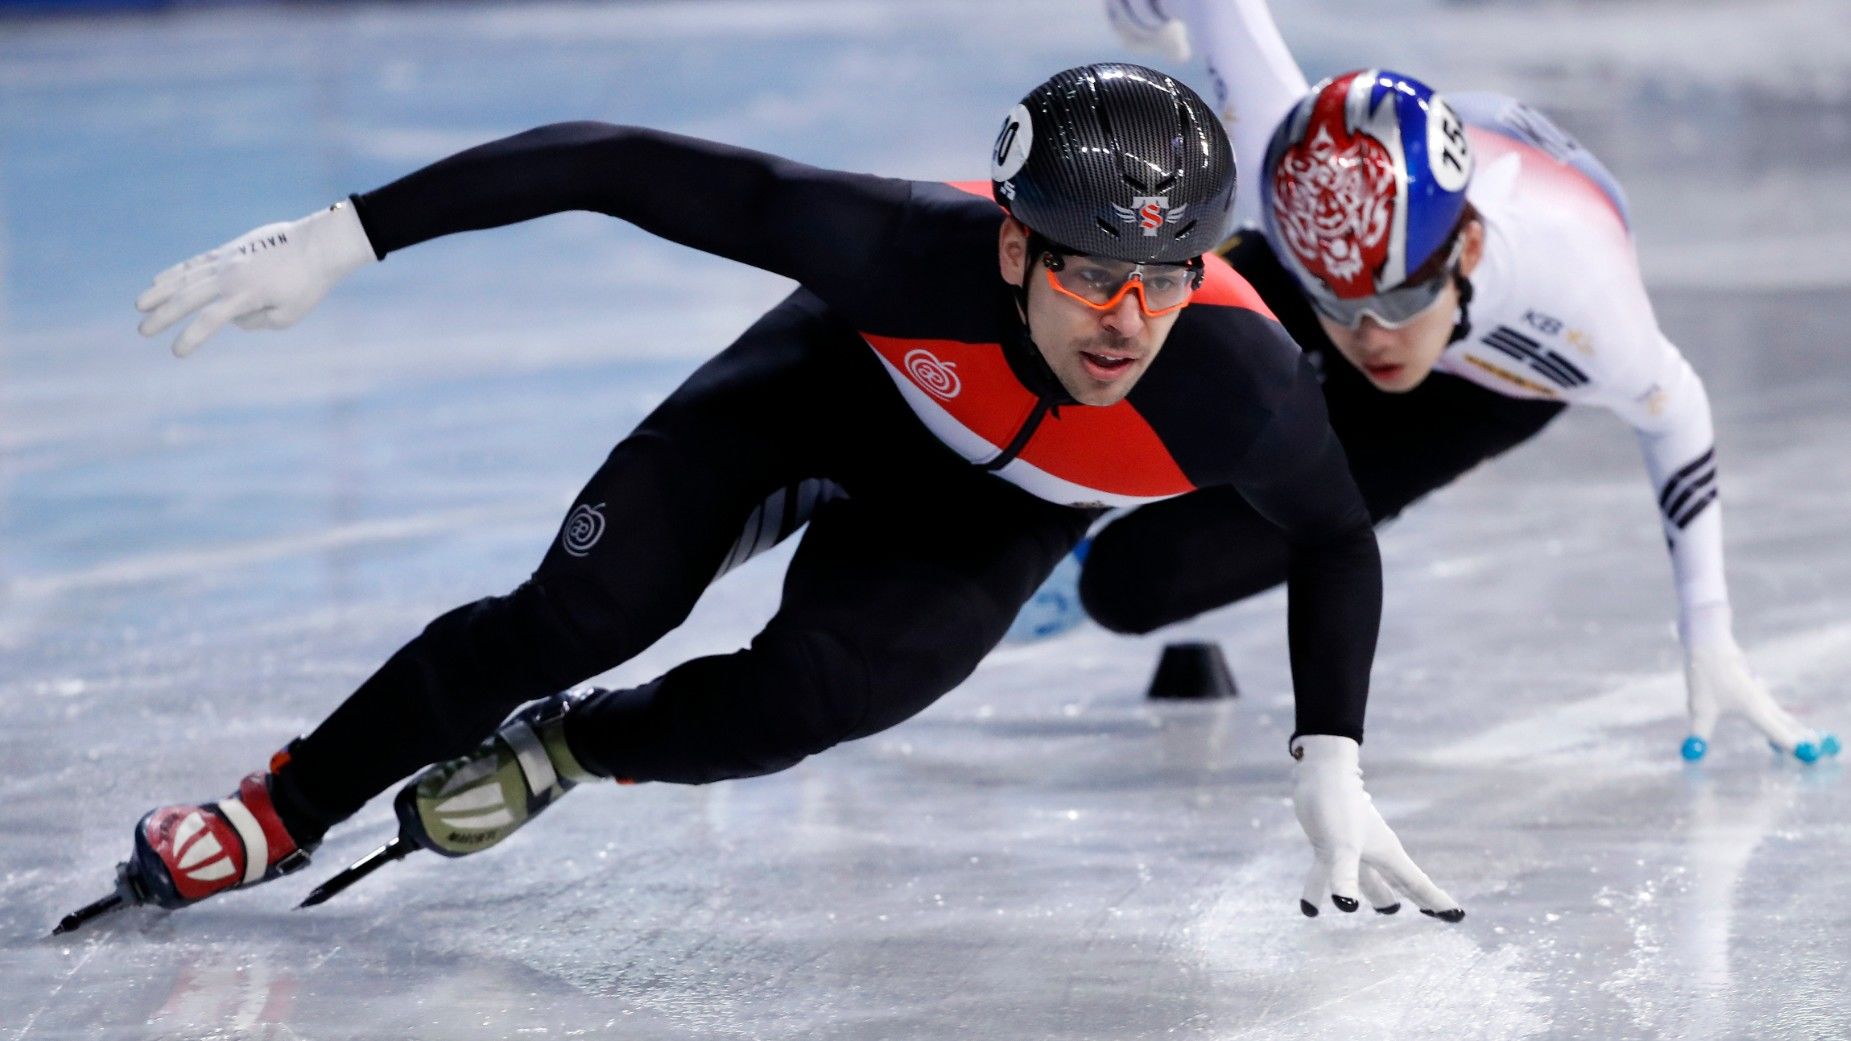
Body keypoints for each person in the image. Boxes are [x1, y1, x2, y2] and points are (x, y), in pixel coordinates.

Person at [90, 64, 1462, 928]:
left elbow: (1335, 537)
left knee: (806, 704)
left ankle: (571, 748)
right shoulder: (898, 250)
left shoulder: (1241, 387)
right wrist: (344, 235)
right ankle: (283, 806)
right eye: (1089, 273)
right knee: (577, 608)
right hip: (813, 396)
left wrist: (1327, 751)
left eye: (1160, 280)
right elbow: (612, 162)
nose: (1125, 320)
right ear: (1008, 243)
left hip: (982, 519)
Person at [1086, 0, 1839, 764]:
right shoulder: (1285, 188)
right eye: (1343, 308)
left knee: (1132, 586)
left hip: (1488, 386)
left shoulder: (1576, 304)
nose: (1372, 337)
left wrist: (1706, 627)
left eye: (1401, 299)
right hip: (1324, 258)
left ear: (1467, 248)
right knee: (1117, 367)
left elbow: (1674, 411)